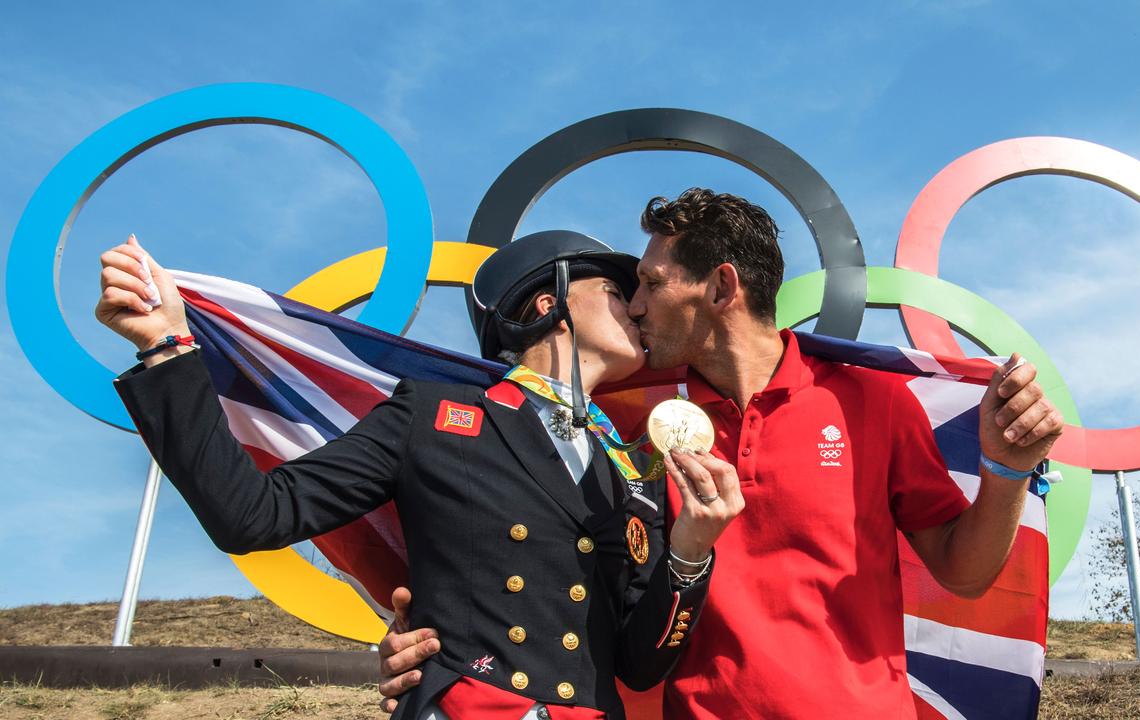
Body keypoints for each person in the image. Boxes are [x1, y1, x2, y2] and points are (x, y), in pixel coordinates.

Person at [378, 190, 1065, 719]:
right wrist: (443, 645)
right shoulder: (623, 426)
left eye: (650, 283)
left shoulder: (872, 402)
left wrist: (1004, 471)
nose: (634, 306)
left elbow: (964, 574)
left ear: (722, 287)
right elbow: (533, 564)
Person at [96, 229, 745, 720]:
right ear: (551, 302)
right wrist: (167, 348)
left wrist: (689, 552)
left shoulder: (630, 469)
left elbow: (642, 660)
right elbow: (253, 513)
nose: (636, 308)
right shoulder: (434, 417)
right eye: (614, 291)